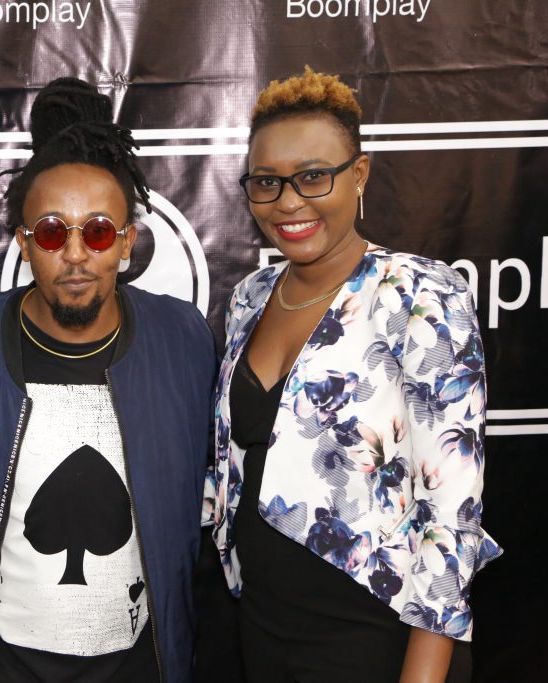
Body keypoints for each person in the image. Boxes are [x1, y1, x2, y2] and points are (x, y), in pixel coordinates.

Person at [205, 67, 503, 682]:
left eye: (314, 176)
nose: (289, 201)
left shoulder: (419, 295)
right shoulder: (250, 298)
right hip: (263, 631)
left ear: (359, 174)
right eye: (267, 182)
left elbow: (451, 511)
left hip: (377, 639)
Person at [0, 77, 217, 682]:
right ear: (24, 244)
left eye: (98, 231)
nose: (76, 254)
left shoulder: (182, 339)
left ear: (126, 244)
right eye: (53, 232)